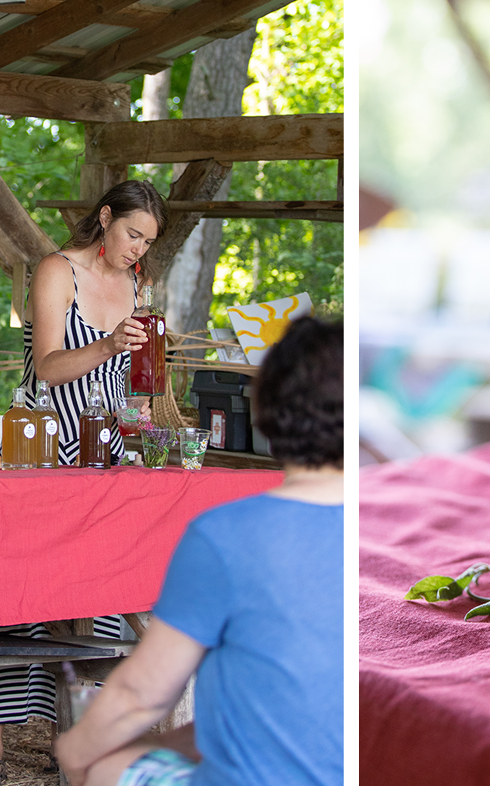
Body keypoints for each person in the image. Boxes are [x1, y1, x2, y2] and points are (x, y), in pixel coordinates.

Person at [56, 316, 344, 786]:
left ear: (264, 409)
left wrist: (72, 750)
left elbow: (140, 695)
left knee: (105, 767)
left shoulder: (227, 534)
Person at [0, 180, 168, 785]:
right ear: (104, 217)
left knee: (95, 593)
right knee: (13, 596)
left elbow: (123, 379)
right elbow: (52, 367)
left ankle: (75, 741)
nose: (138, 249)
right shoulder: (56, 271)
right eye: (132, 233)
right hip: (41, 445)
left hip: (104, 450)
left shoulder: (139, 284)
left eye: (148, 241)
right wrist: (110, 342)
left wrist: (143, 398)